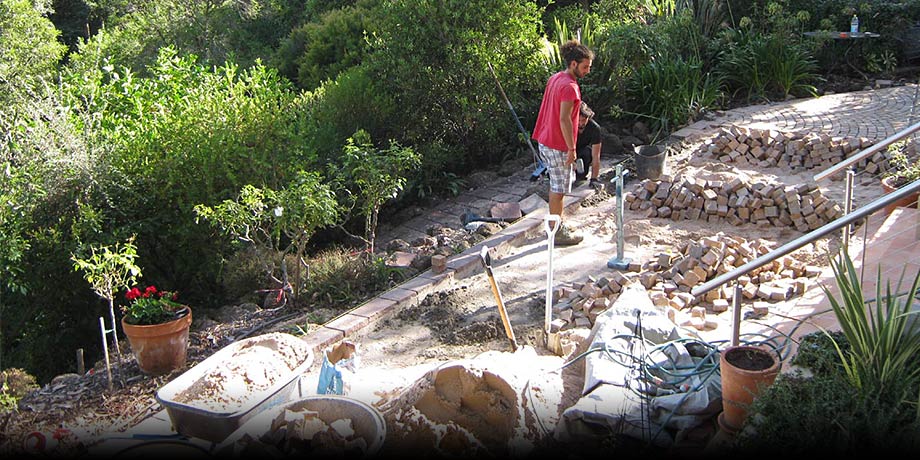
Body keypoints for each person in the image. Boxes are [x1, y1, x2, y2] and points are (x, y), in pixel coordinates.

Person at [532, 39, 593, 245]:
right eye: (585, 67)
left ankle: (556, 225)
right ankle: (556, 231)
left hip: (545, 139)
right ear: (573, 64)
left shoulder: (555, 78)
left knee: (556, 186)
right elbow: (564, 119)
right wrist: (571, 148)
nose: (587, 71)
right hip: (558, 144)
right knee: (558, 190)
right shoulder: (570, 88)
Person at [574, 101, 602, 188]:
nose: (580, 123)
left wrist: (594, 178)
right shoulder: (567, 125)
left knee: (587, 153)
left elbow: (596, 156)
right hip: (566, 150)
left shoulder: (594, 128)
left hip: (582, 149)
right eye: (578, 120)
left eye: (583, 120)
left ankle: (581, 177)